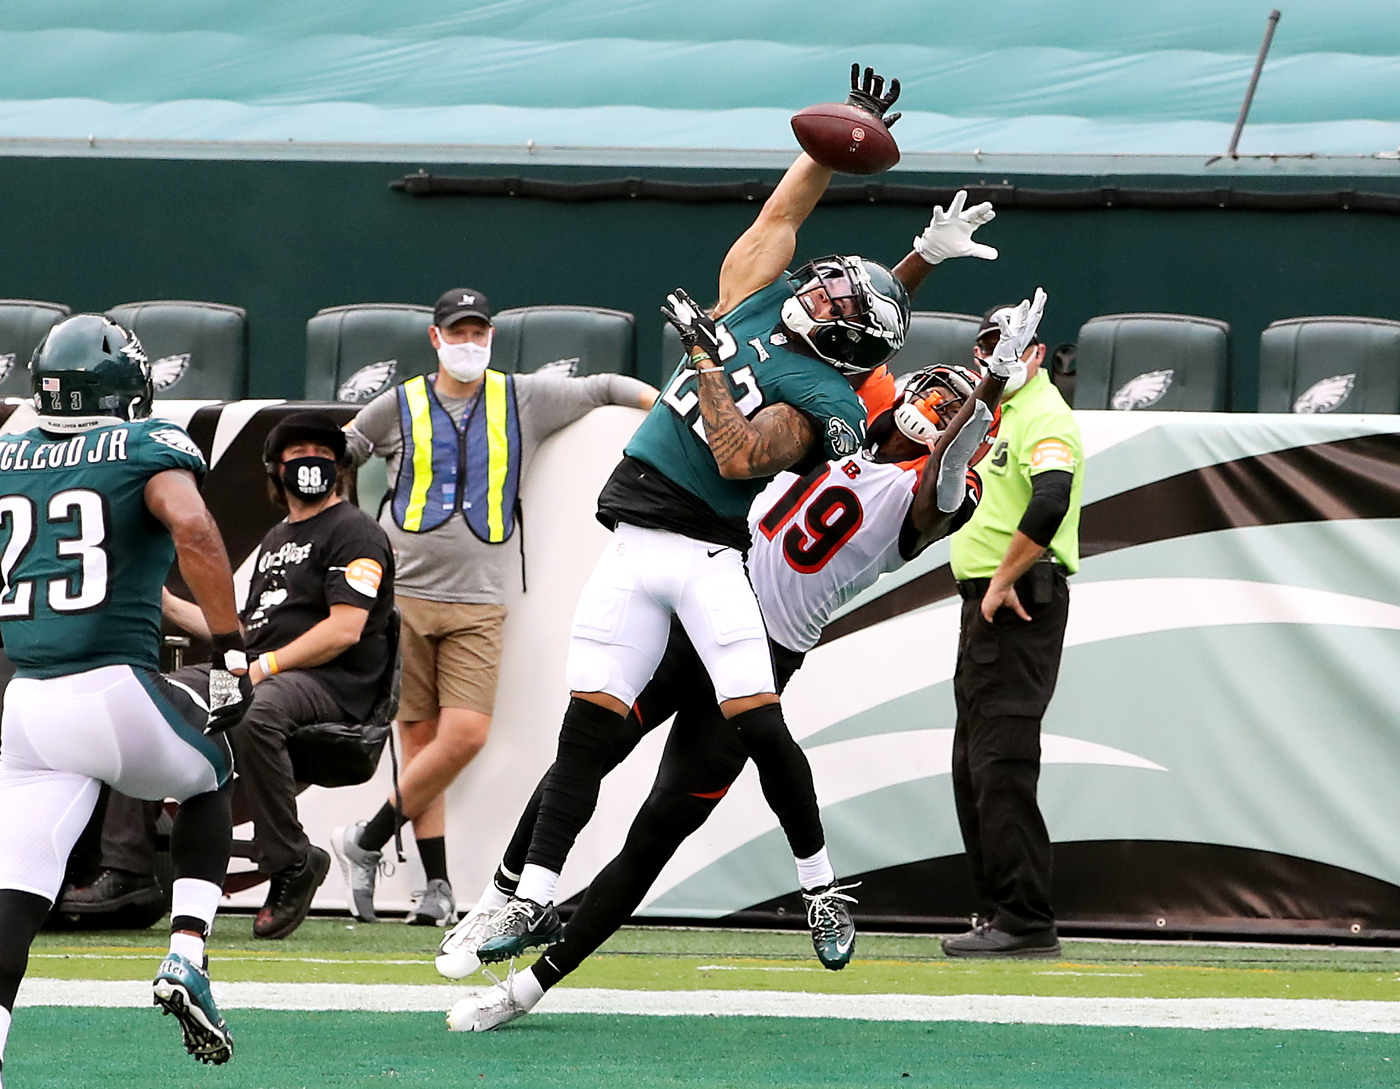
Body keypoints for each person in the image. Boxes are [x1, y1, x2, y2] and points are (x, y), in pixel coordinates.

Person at [477, 64, 999, 972]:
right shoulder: (780, 316)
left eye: (837, 304)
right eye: (831, 286)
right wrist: (841, 151)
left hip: (733, 584)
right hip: (684, 568)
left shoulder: (841, 410)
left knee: (731, 754)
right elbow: (784, 221)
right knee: (592, 733)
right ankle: (509, 899)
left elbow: (751, 453)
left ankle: (818, 887)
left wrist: (711, 361)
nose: (822, 290)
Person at [440, 357, 1005, 1030]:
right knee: (587, 748)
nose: (941, 410)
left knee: (656, 830)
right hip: (704, 608)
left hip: (762, 655)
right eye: (941, 397)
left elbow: (942, 478)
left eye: (957, 412)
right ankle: (502, 896)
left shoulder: (940, 487)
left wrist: (991, 386)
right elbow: (860, 334)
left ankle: (529, 987)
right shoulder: (859, 411)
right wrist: (923, 253)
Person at [332, 288, 657, 927]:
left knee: (464, 736)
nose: (470, 344)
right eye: (459, 333)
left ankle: (365, 840)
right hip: (403, 600)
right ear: (435, 339)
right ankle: (438, 887)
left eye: (479, 333)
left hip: (478, 601)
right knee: (419, 740)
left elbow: (603, 389)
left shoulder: (524, 397)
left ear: (491, 339)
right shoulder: (400, 402)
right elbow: (344, 449)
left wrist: (666, 406)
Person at [0, 315, 249, 1070]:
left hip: (28, 705)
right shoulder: (147, 445)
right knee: (214, 770)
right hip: (111, 686)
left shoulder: (8, 448)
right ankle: (188, 955)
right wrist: (231, 644)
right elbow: (194, 530)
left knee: (15, 896)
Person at [163, 411, 396, 940]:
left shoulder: (355, 531)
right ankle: (131, 868)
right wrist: (170, 604)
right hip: (260, 671)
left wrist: (262, 668)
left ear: (338, 466)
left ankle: (292, 862)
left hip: (329, 685)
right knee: (166, 698)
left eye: (322, 452)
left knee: (251, 711)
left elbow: (344, 629)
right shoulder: (275, 538)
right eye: (296, 455)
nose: (310, 462)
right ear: (275, 470)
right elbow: (244, 633)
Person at [940, 289, 1084, 959]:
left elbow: (1052, 495)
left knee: (1001, 763)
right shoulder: (1000, 412)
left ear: (1032, 353)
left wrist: (1000, 578)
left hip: (1018, 603)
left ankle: (1026, 919)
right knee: (972, 765)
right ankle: (1000, 908)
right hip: (986, 609)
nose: (990, 362)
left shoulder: (1044, 413)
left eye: (1003, 350)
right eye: (983, 352)